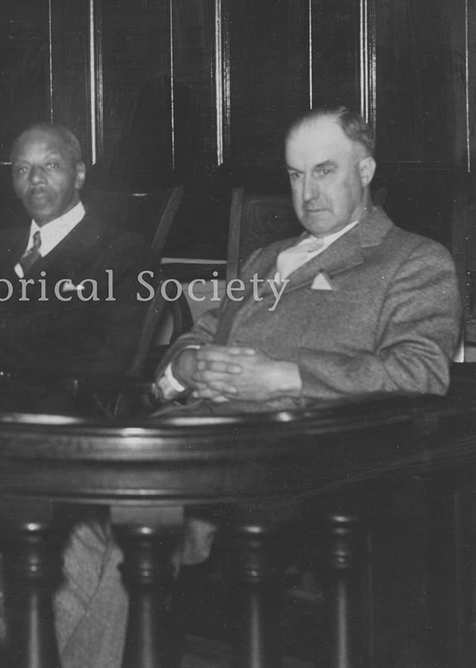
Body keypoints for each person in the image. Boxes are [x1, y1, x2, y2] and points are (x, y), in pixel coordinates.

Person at [57, 106, 462, 668]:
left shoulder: (412, 260)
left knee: (128, 523)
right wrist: (188, 367)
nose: (308, 192)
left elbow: (421, 371)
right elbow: (189, 340)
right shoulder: (262, 259)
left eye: (324, 171)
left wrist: (284, 375)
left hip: (296, 457)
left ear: (365, 170)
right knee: (79, 524)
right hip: (191, 444)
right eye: (296, 176)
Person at [0, 123, 151, 385]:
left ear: (79, 175)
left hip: (55, 412)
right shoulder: (1, 246)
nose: (34, 179)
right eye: (22, 169)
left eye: (51, 165)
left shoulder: (122, 252)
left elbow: (105, 356)